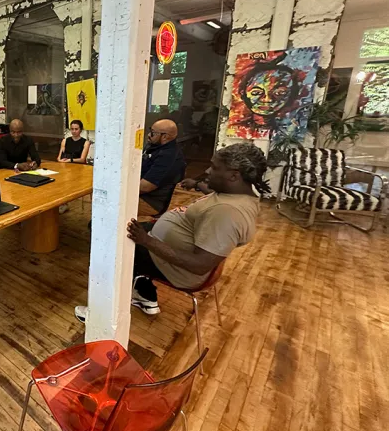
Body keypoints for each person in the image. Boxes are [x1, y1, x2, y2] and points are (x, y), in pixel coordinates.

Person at [74, 143, 268, 323]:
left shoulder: (227, 213)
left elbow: (199, 265)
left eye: (215, 167)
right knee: (112, 229)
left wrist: (146, 241)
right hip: (165, 245)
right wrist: (197, 184)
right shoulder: (239, 194)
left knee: (108, 240)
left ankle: (101, 315)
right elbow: (215, 197)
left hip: (177, 269)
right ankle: (144, 293)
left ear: (234, 176)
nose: (208, 171)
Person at [139, 119, 186, 216]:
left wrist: (122, 190)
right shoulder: (154, 146)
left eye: (153, 133)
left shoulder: (169, 156)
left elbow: (145, 187)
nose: (148, 135)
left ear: (165, 137)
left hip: (151, 202)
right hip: (141, 194)